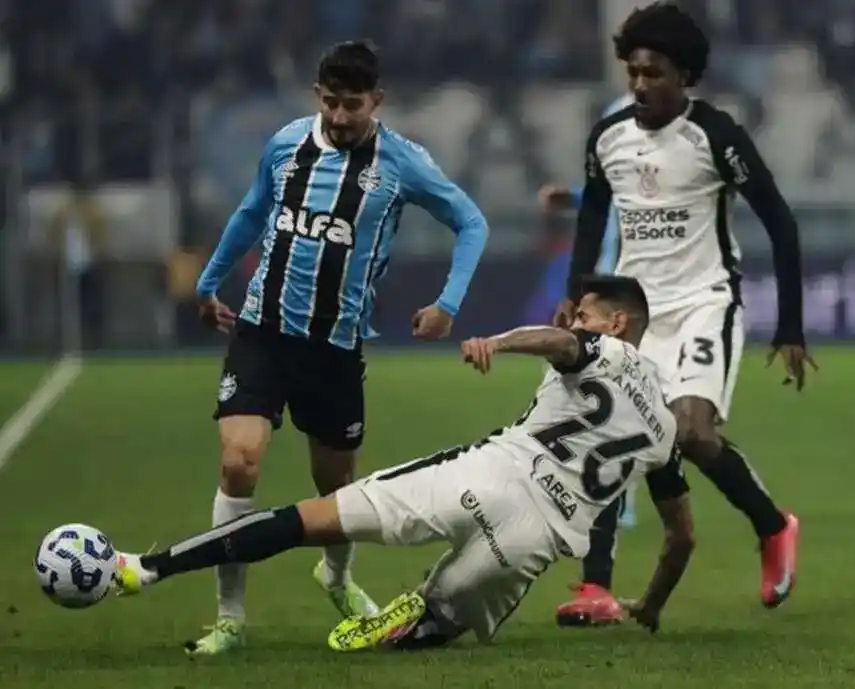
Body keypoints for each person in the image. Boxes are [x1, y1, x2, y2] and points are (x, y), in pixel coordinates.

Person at [112, 275, 695, 649]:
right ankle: (424, 614)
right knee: (437, 622)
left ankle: (150, 568)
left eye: (585, 315)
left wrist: (499, 342)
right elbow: (681, 536)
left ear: (616, 324)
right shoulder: (665, 430)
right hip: (531, 542)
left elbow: (559, 342)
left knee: (307, 521)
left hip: (489, 475)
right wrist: (651, 604)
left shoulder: (606, 350)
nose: (575, 323)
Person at [188, 40, 489, 655]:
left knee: (336, 489)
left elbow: (471, 222)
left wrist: (448, 303)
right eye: (330, 102)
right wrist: (208, 282)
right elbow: (251, 212)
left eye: (353, 105)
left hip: (334, 348)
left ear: (377, 100)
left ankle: (335, 575)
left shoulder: (401, 162)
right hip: (263, 332)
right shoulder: (287, 144)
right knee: (239, 461)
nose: (340, 116)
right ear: (316, 96)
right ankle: (229, 618)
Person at [552, 2, 816, 626]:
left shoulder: (716, 136)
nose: (641, 85)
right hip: (633, 314)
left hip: (703, 303)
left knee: (692, 434)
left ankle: (773, 526)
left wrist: (791, 326)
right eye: (634, 72)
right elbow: (593, 214)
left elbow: (780, 221)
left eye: (655, 73)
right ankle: (595, 588)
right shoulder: (608, 138)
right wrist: (576, 295)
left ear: (686, 76)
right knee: (611, 435)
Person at [536, 91, 639, 530]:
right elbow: (610, 195)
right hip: (606, 277)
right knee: (589, 384)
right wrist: (576, 198)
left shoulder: (672, 121)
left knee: (620, 388)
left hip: (641, 284)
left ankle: (614, 492)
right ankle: (597, 486)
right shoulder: (619, 111)